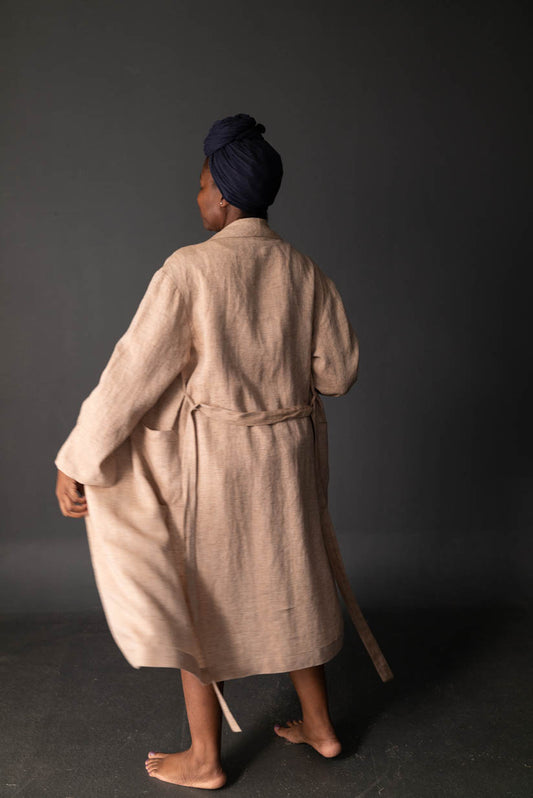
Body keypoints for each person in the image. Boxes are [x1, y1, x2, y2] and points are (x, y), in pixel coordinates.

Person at [54, 113, 393, 789]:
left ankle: (206, 759)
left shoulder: (190, 269)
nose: (199, 195)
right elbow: (337, 373)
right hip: (287, 458)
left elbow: (131, 373)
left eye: (204, 185)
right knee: (293, 580)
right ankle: (321, 727)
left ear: (227, 197)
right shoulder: (303, 270)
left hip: (216, 464)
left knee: (198, 599)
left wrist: (77, 458)